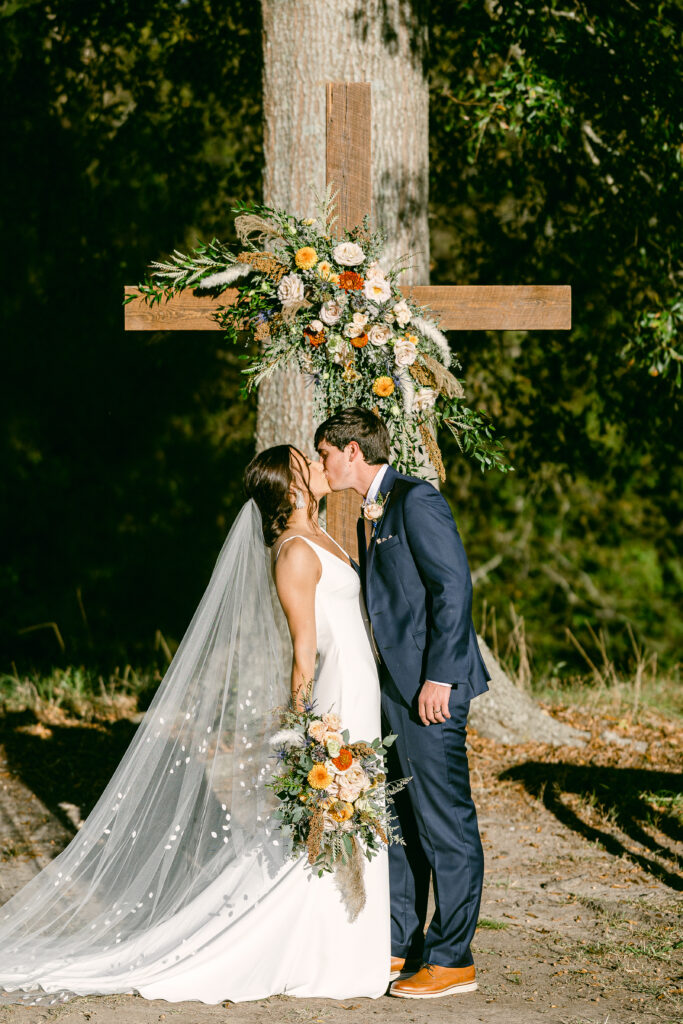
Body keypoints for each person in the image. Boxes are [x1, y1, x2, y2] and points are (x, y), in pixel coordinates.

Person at [0, 444, 389, 1006]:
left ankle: (350, 942)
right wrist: (307, 730)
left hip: (360, 688)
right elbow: (305, 652)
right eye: (307, 463)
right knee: (333, 816)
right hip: (337, 697)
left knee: (350, 815)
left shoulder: (323, 534)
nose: (316, 465)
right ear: (294, 486)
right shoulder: (296, 553)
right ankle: (324, 951)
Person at [315, 407, 490, 999]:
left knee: (445, 822)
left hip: (431, 689)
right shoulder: (372, 509)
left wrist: (440, 676)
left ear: (354, 452)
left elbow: (453, 586)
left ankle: (453, 958)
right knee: (402, 823)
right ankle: (403, 944)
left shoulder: (415, 500)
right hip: (397, 689)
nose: (323, 465)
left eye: (326, 454)